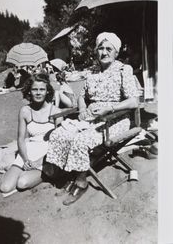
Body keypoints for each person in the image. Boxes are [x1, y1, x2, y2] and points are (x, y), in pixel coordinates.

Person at [45, 32, 139, 205]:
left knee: (80, 140)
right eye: (100, 48)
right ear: (96, 51)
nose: (104, 52)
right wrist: (81, 108)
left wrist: (108, 109)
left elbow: (133, 101)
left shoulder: (124, 70)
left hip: (115, 119)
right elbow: (82, 96)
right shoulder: (92, 72)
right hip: (91, 118)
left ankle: (81, 181)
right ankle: (69, 173)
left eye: (108, 49)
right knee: (59, 134)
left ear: (116, 52)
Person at [0, 73, 62, 194]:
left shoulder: (55, 112)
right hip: (28, 153)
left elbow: (58, 144)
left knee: (22, 183)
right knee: (4, 187)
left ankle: (42, 175)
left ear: (47, 91)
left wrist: (39, 162)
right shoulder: (25, 111)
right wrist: (25, 159)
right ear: (29, 91)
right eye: (34, 89)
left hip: (47, 156)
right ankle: (19, 170)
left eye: (42, 89)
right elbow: (21, 139)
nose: (38, 93)